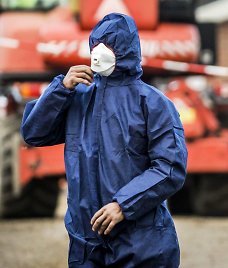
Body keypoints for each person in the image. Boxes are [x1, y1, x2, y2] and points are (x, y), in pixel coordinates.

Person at [21, 13, 187, 267]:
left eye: (110, 44)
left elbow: (169, 168)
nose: (100, 51)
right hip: (86, 245)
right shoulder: (77, 96)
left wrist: (123, 204)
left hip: (141, 245)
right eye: (96, 43)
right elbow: (34, 133)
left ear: (127, 49)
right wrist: (59, 90)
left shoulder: (154, 103)